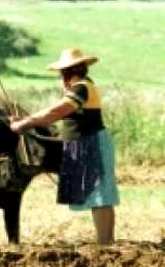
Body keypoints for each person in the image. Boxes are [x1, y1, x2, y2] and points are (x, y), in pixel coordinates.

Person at [9, 48, 118, 245]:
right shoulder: (83, 87)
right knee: (101, 196)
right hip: (87, 142)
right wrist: (28, 119)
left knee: (100, 196)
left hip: (90, 143)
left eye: (61, 73)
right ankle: (106, 242)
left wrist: (26, 123)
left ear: (67, 72)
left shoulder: (81, 88)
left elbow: (56, 112)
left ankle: (104, 244)